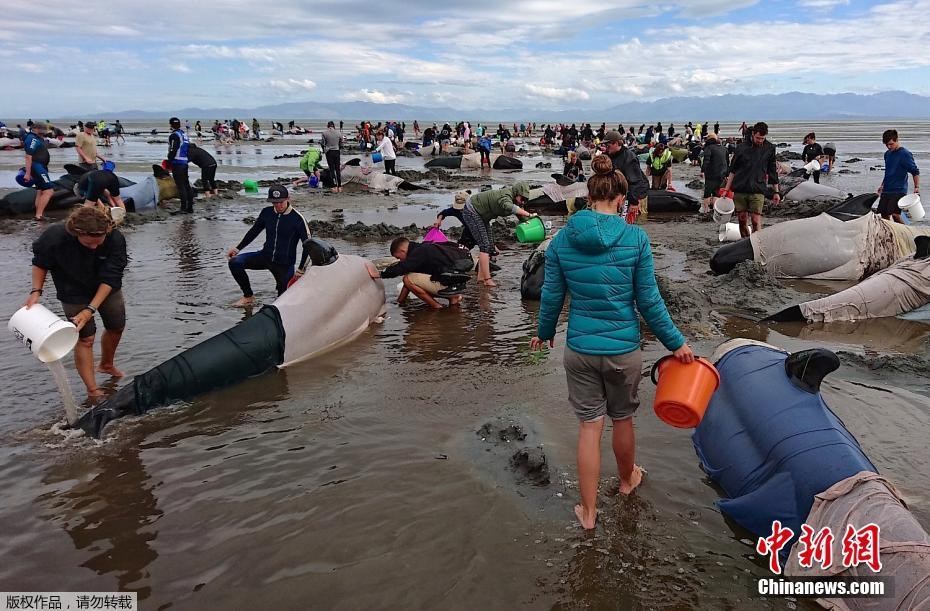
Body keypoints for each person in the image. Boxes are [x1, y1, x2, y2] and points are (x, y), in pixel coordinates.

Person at [530, 154, 693, 530]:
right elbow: (649, 302)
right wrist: (676, 344)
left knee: (589, 428)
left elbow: (551, 295)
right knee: (622, 419)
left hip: (581, 350)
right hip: (623, 351)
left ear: (589, 197)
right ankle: (626, 481)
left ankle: (587, 513)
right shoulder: (635, 238)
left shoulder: (561, 241)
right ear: (620, 199)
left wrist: (544, 332)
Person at [27, 207, 128, 398]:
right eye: (89, 243)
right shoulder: (54, 238)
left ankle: (106, 364)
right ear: (77, 232)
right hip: (71, 289)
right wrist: (36, 291)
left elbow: (111, 276)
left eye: (99, 243)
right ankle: (92, 390)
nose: (94, 247)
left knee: (116, 327)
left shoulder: (115, 239)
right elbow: (40, 262)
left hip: (107, 287)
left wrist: (90, 309)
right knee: (85, 338)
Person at [227, 185, 311, 306]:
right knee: (235, 262)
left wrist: (301, 270)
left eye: (281, 202)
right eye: (274, 203)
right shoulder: (267, 212)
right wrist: (237, 248)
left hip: (284, 265)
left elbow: (308, 245)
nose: (278, 205)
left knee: (282, 303)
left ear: (288, 198)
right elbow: (254, 231)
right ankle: (248, 296)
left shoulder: (297, 219)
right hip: (265, 257)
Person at [465, 183, 535, 286]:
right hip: (472, 210)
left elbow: (522, 218)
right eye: (522, 198)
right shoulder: (506, 196)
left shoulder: (515, 202)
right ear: (517, 193)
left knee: (489, 245)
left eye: (525, 200)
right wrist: (528, 214)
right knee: (484, 246)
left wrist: (532, 223)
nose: (523, 201)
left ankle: (481, 278)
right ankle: (488, 279)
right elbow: (507, 206)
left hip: (483, 215)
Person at [722, 121, 780, 237]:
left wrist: (776, 192)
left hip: (758, 189)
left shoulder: (769, 148)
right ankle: (745, 241)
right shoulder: (741, 148)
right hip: (740, 188)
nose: (760, 141)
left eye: (762, 138)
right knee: (742, 220)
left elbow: (772, 171)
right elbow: (733, 170)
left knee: (755, 220)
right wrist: (726, 189)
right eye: (758, 138)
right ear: (753, 134)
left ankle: (756, 244)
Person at [380, 237, 471, 308]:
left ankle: (437, 306)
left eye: (399, 257)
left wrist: (381, 274)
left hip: (448, 283)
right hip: (458, 283)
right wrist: (399, 302)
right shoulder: (425, 248)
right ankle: (454, 297)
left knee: (407, 278)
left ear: (402, 251)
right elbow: (408, 280)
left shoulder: (419, 252)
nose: (400, 260)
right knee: (410, 277)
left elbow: (402, 269)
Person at [877, 129, 920, 224]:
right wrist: (882, 185)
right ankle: (891, 233)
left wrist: (916, 187)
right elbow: (888, 172)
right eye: (886, 145)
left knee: (895, 214)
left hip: (899, 189)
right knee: (882, 214)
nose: (888, 147)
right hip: (887, 189)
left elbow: (915, 172)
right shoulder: (887, 154)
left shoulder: (905, 154)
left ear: (897, 140)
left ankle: (906, 232)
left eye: (891, 144)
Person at [602, 130, 649, 216]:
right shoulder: (609, 156)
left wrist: (634, 202)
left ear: (615, 143)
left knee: (626, 221)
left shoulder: (629, 158)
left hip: (632, 195)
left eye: (607, 145)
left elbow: (635, 181)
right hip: (618, 193)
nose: (606, 147)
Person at [23, 121, 54, 221]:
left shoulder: (38, 138)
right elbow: (28, 156)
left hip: (41, 167)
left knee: (40, 191)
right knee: (49, 191)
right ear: (35, 129)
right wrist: (27, 174)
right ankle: (39, 215)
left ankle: (38, 214)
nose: (43, 132)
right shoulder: (32, 139)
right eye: (41, 130)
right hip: (37, 166)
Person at [167, 117, 195, 213]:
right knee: (186, 184)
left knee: (180, 186)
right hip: (184, 162)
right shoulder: (184, 134)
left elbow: (173, 149)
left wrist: (169, 160)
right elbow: (188, 148)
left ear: (171, 125)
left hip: (177, 162)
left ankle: (183, 208)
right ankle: (190, 207)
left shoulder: (174, 135)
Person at [700, 132, 729, 214]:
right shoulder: (724, 148)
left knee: (707, 192)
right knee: (716, 192)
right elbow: (727, 162)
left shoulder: (709, 148)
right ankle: (715, 210)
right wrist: (726, 174)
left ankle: (706, 211)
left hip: (711, 173)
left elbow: (706, 161)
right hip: (722, 174)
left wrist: (702, 171)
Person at [321, 120, 344, 193]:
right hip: (336, 151)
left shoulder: (324, 133)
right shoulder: (339, 133)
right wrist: (339, 148)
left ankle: (334, 185)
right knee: (337, 169)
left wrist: (324, 150)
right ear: (334, 126)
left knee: (331, 169)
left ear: (328, 126)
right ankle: (339, 186)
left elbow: (323, 143)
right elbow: (341, 142)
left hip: (329, 152)